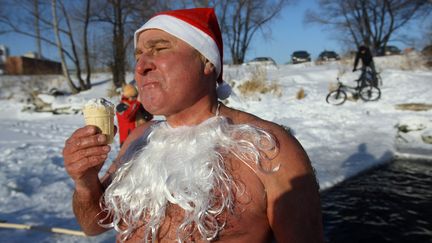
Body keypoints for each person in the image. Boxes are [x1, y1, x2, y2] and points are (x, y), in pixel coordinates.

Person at [63, 8, 323, 243]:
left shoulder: (268, 148)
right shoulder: (140, 139)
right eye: (139, 54)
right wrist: (86, 182)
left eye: (160, 48)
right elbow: (93, 226)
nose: (141, 66)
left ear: (207, 61)